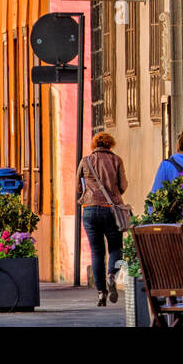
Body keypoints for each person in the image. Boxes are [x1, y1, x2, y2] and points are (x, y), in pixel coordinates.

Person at [76, 131, 128, 307]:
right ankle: (112, 275)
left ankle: (100, 292)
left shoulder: (85, 161)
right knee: (115, 248)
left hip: (89, 210)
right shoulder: (116, 160)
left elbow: (77, 187)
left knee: (96, 252)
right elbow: (123, 186)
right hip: (111, 211)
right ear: (110, 144)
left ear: (95, 144)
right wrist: (113, 194)